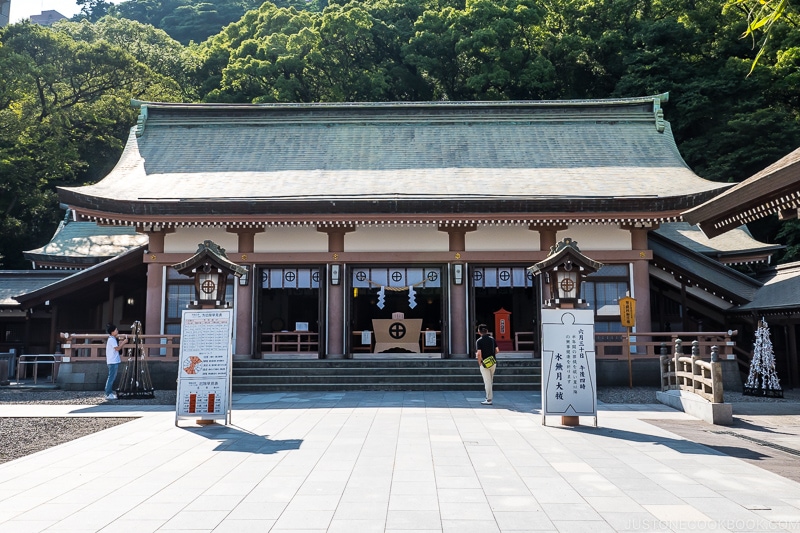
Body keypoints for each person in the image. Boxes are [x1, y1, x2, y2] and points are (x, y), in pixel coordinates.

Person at [476, 324, 499, 405]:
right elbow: (497, 350)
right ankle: (489, 397)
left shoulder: (479, 341)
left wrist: (480, 362)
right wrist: (492, 356)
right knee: (490, 380)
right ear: (487, 331)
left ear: (479, 332)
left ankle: (488, 399)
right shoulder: (492, 339)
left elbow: (479, 353)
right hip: (493, 362)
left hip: (485, 363)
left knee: (487, 381)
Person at [105, 323, 127, 400]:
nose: (117, 331)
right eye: (116, 330)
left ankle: (109, 393)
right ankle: (108, 393)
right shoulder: (111, 339)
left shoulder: (112, 338)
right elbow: (117, 348)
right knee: (111, 378)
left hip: (113, 361)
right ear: (112, 332)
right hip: (112, 361)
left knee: (111, 377)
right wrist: (123, 342)